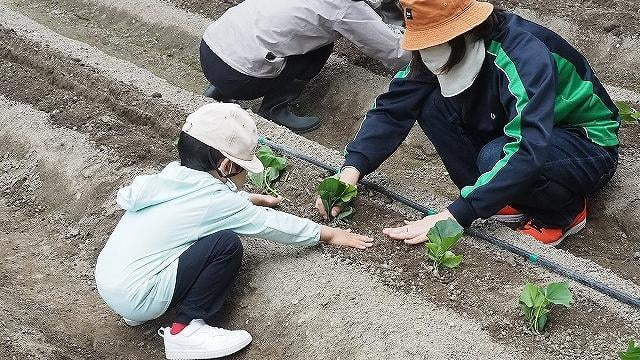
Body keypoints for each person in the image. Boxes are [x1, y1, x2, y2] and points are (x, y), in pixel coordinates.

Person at [317, 0, 619, 246]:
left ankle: (563, 213)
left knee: (495, 156)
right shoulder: (437, 52)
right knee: (431, 104)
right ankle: (502, 197)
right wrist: (349, 171)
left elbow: (528, 144)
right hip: (526, 131)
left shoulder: (523, 54)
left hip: (584, 141)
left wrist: (457, 214)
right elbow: (392, 107)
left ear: (462, 31)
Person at [95, 103, 373, 360]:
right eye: (243, 169)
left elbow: (201, 203)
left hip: (111, 284)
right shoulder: (216, 202)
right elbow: (269, 224)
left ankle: (137, 311)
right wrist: (328, 233)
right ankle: (187, 330)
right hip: (142, 297)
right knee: (225, 244)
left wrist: (247, 197)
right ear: (227, 166)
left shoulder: (168, 179)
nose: (244, 177)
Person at [199, 0, 411, 134]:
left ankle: (219, 90)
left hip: (211, 48)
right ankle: (273, 109)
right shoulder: (344, 7)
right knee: (319, 48)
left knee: (275, 31)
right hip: (241, 76)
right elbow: (395, 53)